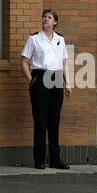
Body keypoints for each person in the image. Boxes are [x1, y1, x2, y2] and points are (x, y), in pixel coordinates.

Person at [21, 9, 72, 170]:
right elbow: (24, 61)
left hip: (56, 78)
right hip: (40, 77)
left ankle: (55, 159)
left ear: (55, 22)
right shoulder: (34, 39)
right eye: (44, 17)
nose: (46, 19)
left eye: (49, 17)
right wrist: (32, 82)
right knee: (40, 121)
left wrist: (68, 83)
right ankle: (40, 160)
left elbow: (64, 63)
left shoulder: (60, 39)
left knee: (54, 121)